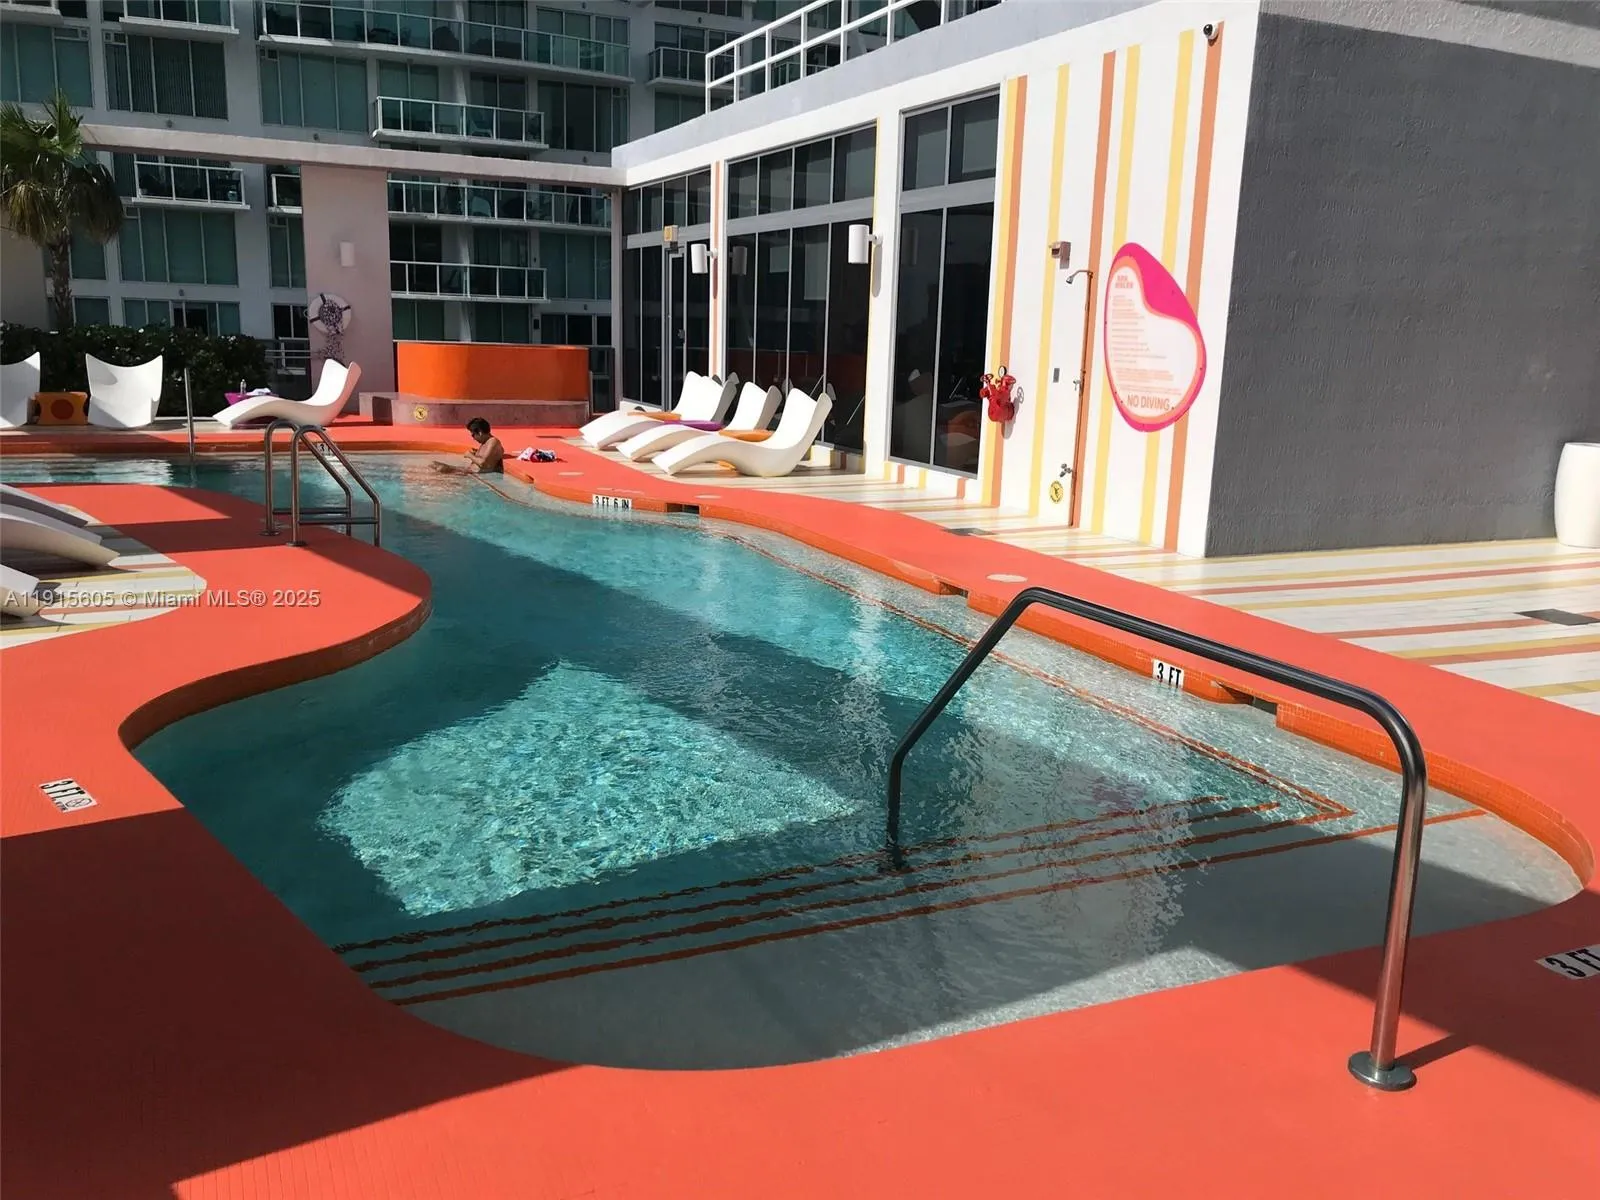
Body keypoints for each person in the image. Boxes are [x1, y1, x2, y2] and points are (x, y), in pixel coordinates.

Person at [432, 417, 503, 474]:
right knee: (434, 464)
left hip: (471, 474)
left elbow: (483, 463)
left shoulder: (493, 441)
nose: (473, 438)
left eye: (473, 435)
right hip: (467, 471)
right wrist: (475, 454)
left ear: (480, 432)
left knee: (440, 468)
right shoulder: (486, 442)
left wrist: (470, 455)